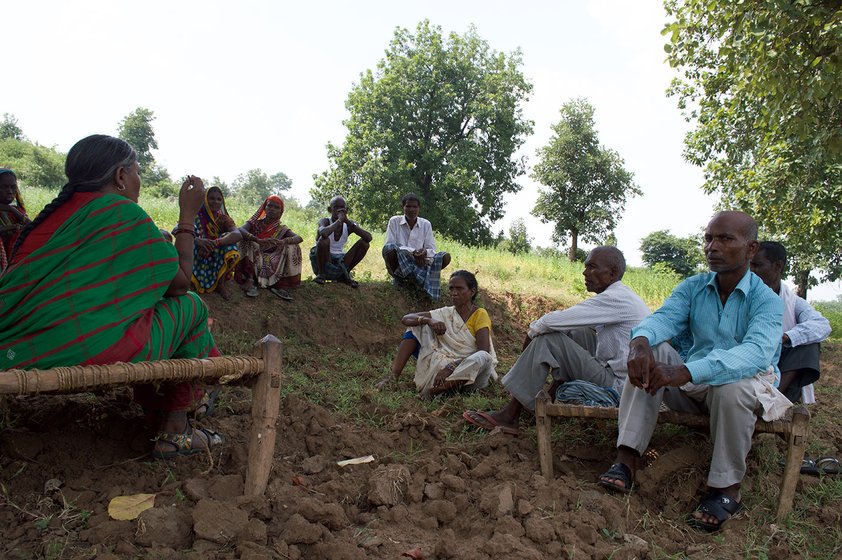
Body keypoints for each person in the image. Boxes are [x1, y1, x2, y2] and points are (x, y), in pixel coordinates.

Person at [0, 134, 223, 460]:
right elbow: (179, 284)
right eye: (136, 172)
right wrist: (187, 217)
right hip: (89, 348)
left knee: (151, 310)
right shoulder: (122, 214)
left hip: (19, 349)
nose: (138, 181)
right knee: (190, 308)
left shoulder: (44, 223)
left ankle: (157, 413)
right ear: (120, 176)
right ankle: (175, 432)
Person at [598, 211, 788, 533]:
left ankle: (726, 490)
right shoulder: (695, 287)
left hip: (741, 388)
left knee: (732, 386)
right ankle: (626, 458)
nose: (712, 247)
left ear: (751, 249)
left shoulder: (767, 301)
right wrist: (640, 342)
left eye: (725, 239)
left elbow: (754, 354)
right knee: (652, 353)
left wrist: (687, 371)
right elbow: (663, 318)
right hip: (696, 385)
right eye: (709, 238)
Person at [463, 246, 650, 435]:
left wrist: (530, 335)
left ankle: (510, 415)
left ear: (612, 273)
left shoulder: (615, 298)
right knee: (579, 331)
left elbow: (550, 322)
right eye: (585, 266)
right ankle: (548, 397)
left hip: (622, 388)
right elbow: (570, 322)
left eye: (592, 267)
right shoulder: (622, 295)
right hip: (623, 378)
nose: (585, 272)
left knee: (549, 340)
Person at [376, 270, 497, 399]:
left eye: (459, 288)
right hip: (442, 370)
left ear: (472, 292)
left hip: (470, 373)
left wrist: (452, 366)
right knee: (417, 326)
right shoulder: (445, 313)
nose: (454, 293)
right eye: (451, 288)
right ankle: (393, 377)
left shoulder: (479, 314)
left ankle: (434, 392)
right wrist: (429, 320)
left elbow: (483, 351)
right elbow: (406, 318)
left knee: (483, 357)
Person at [750, 241, 831, 403]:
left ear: (777, 266)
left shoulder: (792, 302)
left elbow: (822, 325)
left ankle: (772, 398)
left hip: (777, 371)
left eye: (757, 265)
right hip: (746, 363)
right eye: (749, 265)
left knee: (808, 343)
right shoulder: (742, 293)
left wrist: (785, 337)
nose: (751, 271)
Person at [382, 193, 451, 300]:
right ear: (403, 207)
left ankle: (418, 281)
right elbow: (390, 244)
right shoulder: (394, 221)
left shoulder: (425, 224)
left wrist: (424, 253)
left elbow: (431, 249)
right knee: (389, 248)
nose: (411, 209)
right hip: (401, 260)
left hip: (420, 262)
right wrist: (413, 252)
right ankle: (399, 279)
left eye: (414, 207)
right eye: (408, 206)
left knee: (445, 256)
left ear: (419, 208)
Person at [236, 195, 303, 301]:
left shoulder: (281, 229)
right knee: (248, 241)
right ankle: (250, 279)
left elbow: (298, 238)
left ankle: (280, 285)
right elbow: (240, 230)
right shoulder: (254, 223)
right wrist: (257, 240)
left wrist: (283, 241)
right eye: (270, 206)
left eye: (276, 207)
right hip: (254, 255)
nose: (272, 209)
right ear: (264, 208)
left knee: (293, 247)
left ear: (281, 211)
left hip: (272, 260)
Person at [188, 186, 242, 299]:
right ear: (205, 199)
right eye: (211, 198)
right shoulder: (195, 214)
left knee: (230, 244)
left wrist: (216, 243)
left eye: (219, 199)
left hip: (215, 252)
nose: (215, 202)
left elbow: (237, 234)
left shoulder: (224, 218)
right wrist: (198, 241)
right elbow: (178, 229)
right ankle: (188, 279)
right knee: (188, 239)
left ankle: (220, 284)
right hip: (198, 252)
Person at [310, 195, 372, 287]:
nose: (339, 210)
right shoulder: (325, 221)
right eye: (336, 207)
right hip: (323, 259)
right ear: (330, 210)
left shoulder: (348, 224)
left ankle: (344, 275)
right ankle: (321, 275)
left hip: (340, 259)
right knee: (323, 241)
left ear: (346, 210)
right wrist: (339, 221)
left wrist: (347, 222)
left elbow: (368, 238)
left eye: (342, 208)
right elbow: (323, 233)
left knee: (364, 244)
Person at [0, 168, 30, 274]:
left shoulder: (17, 211)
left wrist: (11, 209)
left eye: (13, 187)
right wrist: (12, 227)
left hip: (13, 266)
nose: (10, 191)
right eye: (4, 187)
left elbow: (32, 227)